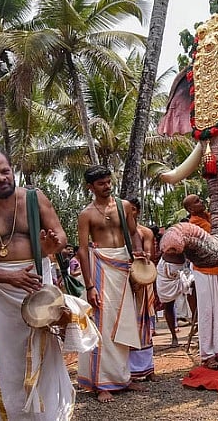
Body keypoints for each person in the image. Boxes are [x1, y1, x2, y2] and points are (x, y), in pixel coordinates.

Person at [0, 151, 72, 419]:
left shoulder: (35, 199)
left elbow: (60, 234)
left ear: (12, 170)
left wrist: (55, 245)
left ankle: (46, 416)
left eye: (5, 171)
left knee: (44, 353)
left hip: (38, 283)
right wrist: (11, 277)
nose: (1, 178)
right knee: (5, 361)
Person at [76, 165, 145, 403]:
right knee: (102, 325)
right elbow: (82, 251)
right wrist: (89, 286)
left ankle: (123, 377)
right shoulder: (87, 214)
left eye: (108, 181)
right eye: (101, 183)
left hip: (123, 266)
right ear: (90, 187)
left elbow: (134, 232)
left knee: (124, 323)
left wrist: (139, 251)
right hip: (101, 269)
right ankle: (100, 383)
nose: (106, 186)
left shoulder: (124, 206)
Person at [180, 193, 218, 369]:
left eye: (200, 198)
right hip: (203, 272)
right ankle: (208, 355)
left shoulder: (211, 217)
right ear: (190, 209)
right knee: (206, 312)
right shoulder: (193, 225)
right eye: (196, 201)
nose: (201, 201)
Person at [127, 197, 158, 382]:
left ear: (137, 211)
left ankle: (147, 369)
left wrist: (139, 275)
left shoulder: (145, 232)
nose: (129, 213)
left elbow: (149, 255)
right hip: (122, 280)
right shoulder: (117, 232)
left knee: (143, 324)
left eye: (132, 209)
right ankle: (127, 370)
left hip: (143, 279)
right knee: (126, 324)